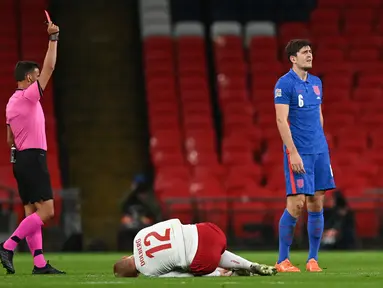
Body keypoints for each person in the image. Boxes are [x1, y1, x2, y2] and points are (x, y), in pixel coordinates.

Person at [0, 21, 65, 275]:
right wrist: (54, 38)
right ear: (29, 77)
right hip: (34, 158)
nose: (40, 78)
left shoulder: (10, 103)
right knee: (47, 211)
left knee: (31, 213)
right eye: (36, 76)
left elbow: (9, 140)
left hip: (19, 161)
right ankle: (7, 245)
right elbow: (50, 67)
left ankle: (39, 263)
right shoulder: (28, 96)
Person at [273, 39, 336, 272]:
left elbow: (319, 115)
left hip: (320, 151)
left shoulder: (317, 83)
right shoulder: (284, 84)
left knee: (317, 203)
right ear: (293, 58)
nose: (310, 55)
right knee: (296, 203)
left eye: (311, 51)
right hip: (299, 152)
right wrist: (293, 152)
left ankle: (313, 260)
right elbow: (281, 120)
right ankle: (282, 260)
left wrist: (321, 144)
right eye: (304, 52)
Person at [113, 218, 277, 278]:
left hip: (205, 259)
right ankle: (249, 265)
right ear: (124, 258)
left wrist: (213, 273)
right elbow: (173, 222)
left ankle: (224, 273)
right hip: (209, 231)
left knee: (189, 263)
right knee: (197, 245)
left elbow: (179, 276)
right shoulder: (139, 236)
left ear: (134, 275)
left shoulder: (148, 271)